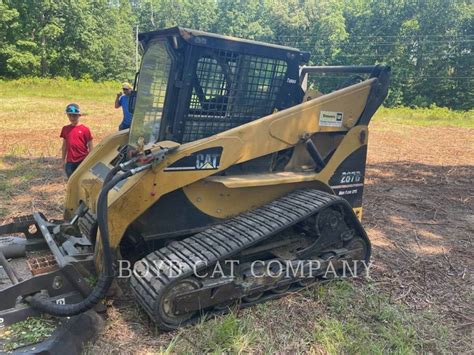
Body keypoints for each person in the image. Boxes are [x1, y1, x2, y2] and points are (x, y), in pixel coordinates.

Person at [60, 104, 93, 178]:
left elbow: (90, 145)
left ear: (79, 115)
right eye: (70, 115)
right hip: (70, 161)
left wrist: (91, 158)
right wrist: (63, 160)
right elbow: (64, 146)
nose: (72, 118)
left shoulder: (85, 129)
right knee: (71, 179)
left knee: (82, 179)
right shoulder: (65, 129)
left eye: (74, 115)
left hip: (82, 159)